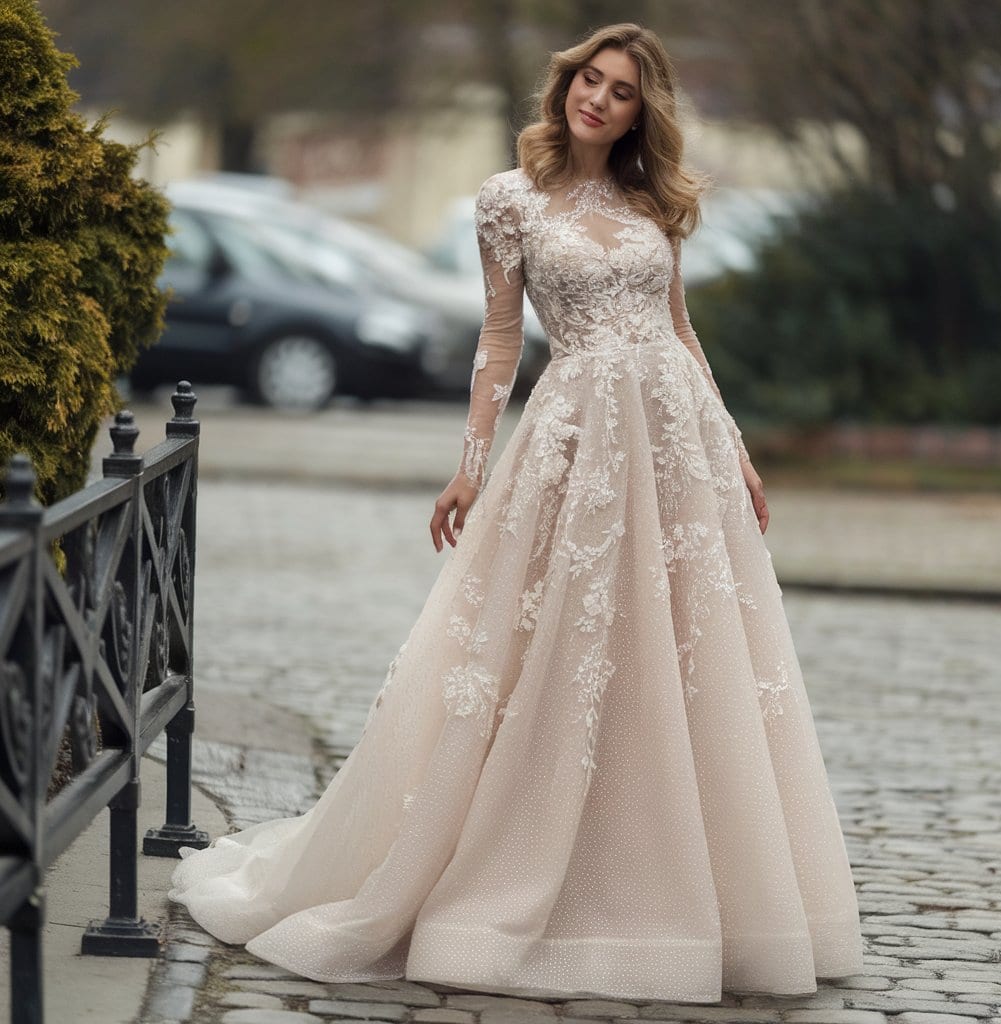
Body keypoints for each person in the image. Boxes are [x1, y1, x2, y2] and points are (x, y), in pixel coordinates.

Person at [169, 22, 865, 1004]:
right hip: (576, 443)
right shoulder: (509, 200)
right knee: (558, 657)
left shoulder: (652, 202)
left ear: (639, 112)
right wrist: (469, 467)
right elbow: (499, 338)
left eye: (622, 90)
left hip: (675, 450)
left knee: (685, 655)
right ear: (567, 83)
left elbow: (680, 332)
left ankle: (697, 892)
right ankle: (516, 866)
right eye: (591, 78)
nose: (600, 98)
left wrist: (735, 450)